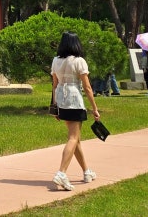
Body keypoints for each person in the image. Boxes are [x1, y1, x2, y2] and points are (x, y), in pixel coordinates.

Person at [50, 32, 100, 191]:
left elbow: (54, 85)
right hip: (74, 100)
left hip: (61, 100)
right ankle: (61, 172)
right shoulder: (79, 61)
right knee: (73, 138)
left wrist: (54, 106)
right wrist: (94, 108)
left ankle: (86, 171)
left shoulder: (55, 60)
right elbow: (87, 87)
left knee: (75, 138)